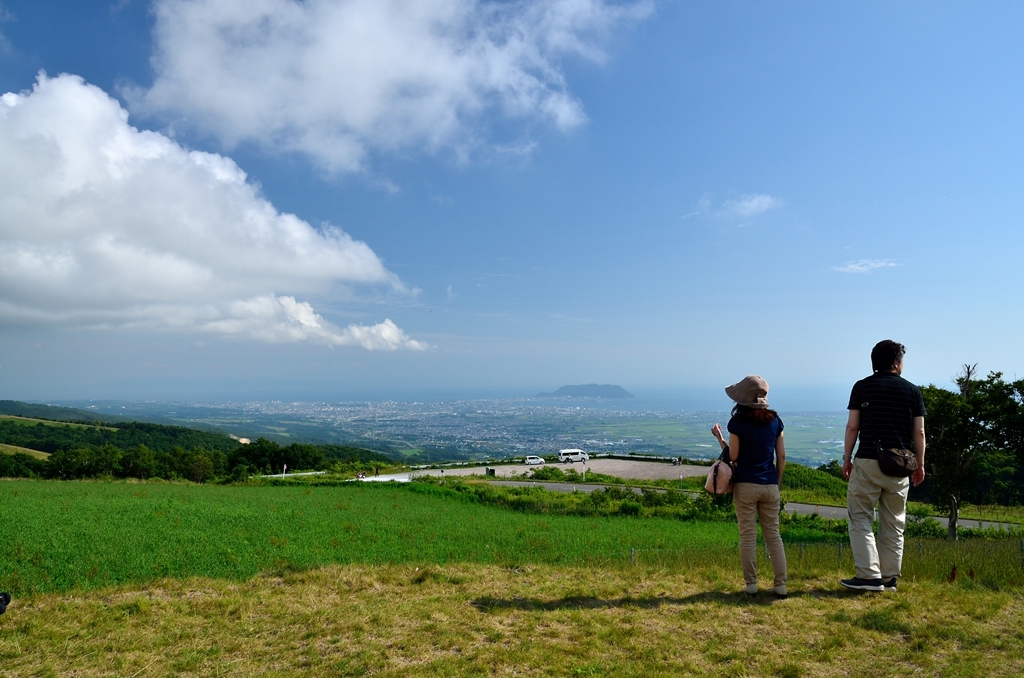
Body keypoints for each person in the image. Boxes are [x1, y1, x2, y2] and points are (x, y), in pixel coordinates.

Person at [841, 340, 926, 592]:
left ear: (874, 362)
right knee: (894, 523)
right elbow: (919, 432)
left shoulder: (862, 387)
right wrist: (920, 465)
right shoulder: (912, 391)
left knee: (860, 518)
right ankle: (889, 578)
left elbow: (853, 426)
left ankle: (868, 576)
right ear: (897, 363)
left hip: (868, 460)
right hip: (900, 466)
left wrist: (846, 458)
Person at [711, 375, 787, 598]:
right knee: (773, 535)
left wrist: (720, 438)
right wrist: (777, 481)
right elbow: (781, 455)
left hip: (745, 485)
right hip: (770, 484)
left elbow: (733, 456)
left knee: (747, 536)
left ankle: (751, 584)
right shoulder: (775, 421)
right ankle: (781, 585)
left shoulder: (738, 423)